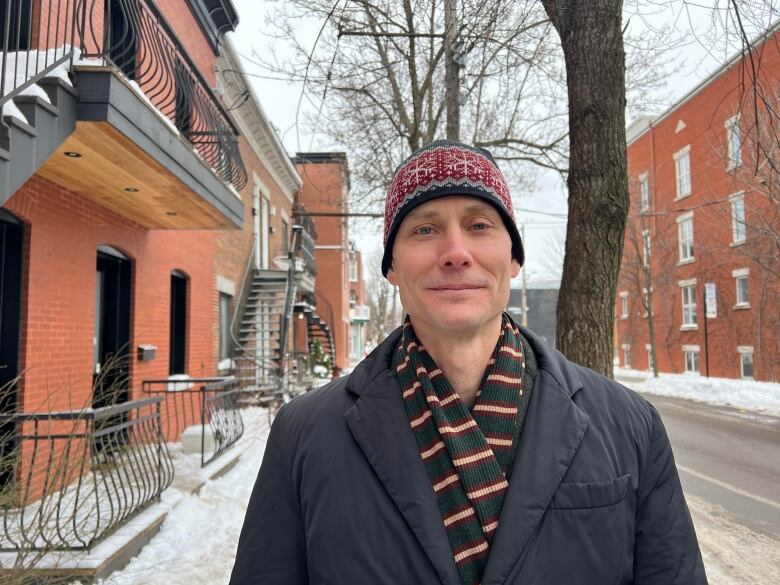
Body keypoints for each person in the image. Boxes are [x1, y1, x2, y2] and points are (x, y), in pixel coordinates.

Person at [230, 140, 707, 585]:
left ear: (513, 256)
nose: (456, 253)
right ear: (392, 266)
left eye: (480, 226)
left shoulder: (629, 426)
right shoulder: (305, 434)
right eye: (425, 229)